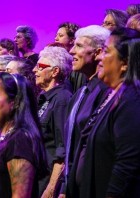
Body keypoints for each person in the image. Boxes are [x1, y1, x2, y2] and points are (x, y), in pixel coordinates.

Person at [76, 28, 140, 198]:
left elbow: (127, 164)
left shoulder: (132, 100)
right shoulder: (110, 95)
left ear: (125, 63)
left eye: (106, 51)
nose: (99, 57)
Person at [61, 25, 110, 197]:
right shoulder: (79, 93)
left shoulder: (106, 91)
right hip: (73, 186)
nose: (72, 51)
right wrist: (63, 187)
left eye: (79, 46)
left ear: (97, 53)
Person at [32, 46, 72, 197]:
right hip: (36, 177)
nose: (35, 70)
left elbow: (62, 149)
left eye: (40, 66)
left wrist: (51, 188)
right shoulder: (42, 99)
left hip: (47, 181)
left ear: (55, 71)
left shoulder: (62, 99)